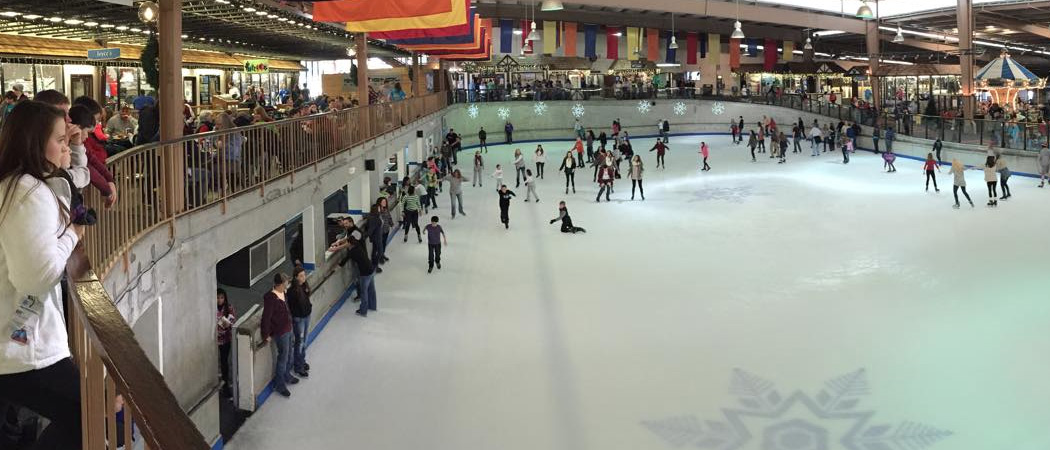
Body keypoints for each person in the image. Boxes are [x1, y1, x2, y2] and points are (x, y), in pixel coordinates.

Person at [0, 100, 85, 449]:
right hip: (22, 349)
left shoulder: (19, 186)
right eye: (60, 139)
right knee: (93, 413)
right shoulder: (28, 191)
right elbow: (38, 277)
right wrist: (73, 235)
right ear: (36, 142)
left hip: (18, 342)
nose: (66, 146)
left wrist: (69, 155)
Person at [261, 273, 297, 397]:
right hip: (281, 332)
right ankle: (279, 384)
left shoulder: (283, 293)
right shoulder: (271, 299)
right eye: (286, 282)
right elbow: (266, 317)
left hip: (288, 327)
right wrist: (266, 334)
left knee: (289, 354)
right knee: (283, 357)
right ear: (280, 284)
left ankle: (287, 374)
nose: (287, 284)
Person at [339, 236, 377, 317]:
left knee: (364, 292)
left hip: (365, 273)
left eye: (347, 243)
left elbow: (344, 261)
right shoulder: (358, 245)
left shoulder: (352, 252)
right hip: (371, 269)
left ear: (349, 243)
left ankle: (363, 311)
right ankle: (373, 306)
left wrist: (337, 266)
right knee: (371, 290)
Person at [287, 267, 312, 378]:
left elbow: (307, 298)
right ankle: (298, 366)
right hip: (299, 319)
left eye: (304, 275)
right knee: (299, 342)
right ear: (296, 277)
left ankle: (302, 359)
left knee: (304, 340)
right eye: (301, 276)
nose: (304, 277)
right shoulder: (292, 291)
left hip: (306, 316)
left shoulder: (304, 285)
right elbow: (292, 307)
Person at [216, 289, 236, 398]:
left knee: (224, 361)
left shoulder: (229, 308)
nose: (219, 300)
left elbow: (233, 320)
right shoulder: (211, 308)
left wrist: (229, 324)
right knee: (217, 361)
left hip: (226, 340)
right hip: (215, 340)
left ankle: (225, 384)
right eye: (217, 298)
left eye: (221, 298)